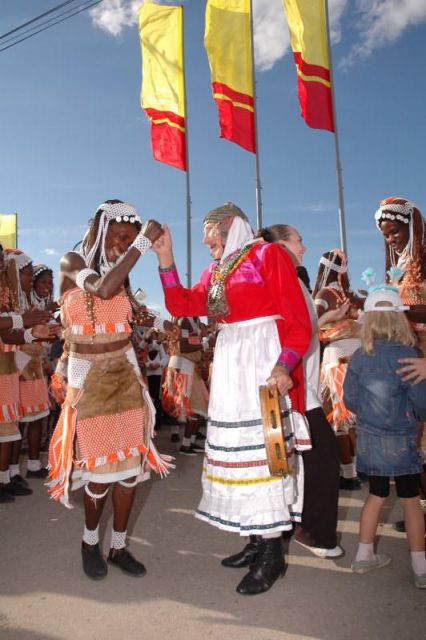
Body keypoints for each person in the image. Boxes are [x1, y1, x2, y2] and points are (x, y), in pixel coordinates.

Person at [153, 202, 311, 595]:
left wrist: (282, 366)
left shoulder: (266, 254)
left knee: (266, 452)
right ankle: (256, 541)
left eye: (212, 234)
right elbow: (182, 305)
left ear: (230, 228)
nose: (208, 241)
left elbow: (297, 319)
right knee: (241, 455)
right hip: (230, 364)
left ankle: (273, 555)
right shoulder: (215, 271)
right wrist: (166, 258)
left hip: (260, 358)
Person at [47, 199, 173, 580]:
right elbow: (101, 290)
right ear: (100, 233)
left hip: (124, 375)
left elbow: (120, 312)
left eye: (131, 238)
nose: (124, 243)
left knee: (130, 472)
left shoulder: (123, 279)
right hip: (89, 376)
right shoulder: (72, 263)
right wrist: (142, 245)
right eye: (118, 236)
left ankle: (118, 546)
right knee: (101, 474)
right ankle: (89, 542)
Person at [259, 225, 342, 558]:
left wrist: (330, 319)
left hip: (303, 390)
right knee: (315, 459)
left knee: (306, 462)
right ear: (280, 246)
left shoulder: (296, 284)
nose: (304, 248)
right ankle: (308, 534)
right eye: (299, 240)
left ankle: (300, 531)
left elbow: (304, 329)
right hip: (292, 392)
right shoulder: (279, 281)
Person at [343, 285, 426, 588]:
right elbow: (422, 403)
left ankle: (364, 556)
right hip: (401, 438)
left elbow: (350, 400)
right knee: (411, 501)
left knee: (375, 496)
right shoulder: (410, 356)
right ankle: (420, 567)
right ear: (399, 320)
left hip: (368, 437)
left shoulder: (358, 358)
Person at [375, 197, 426, 511]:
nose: (391, 239)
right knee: (412, 436)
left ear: (411, 225)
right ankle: (419, 510)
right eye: (385, 236)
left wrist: (400, 308)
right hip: (407, 356)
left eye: (395, 231)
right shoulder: (398, 270)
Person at [0, 245, 57, 501]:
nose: (31, 280)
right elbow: (8, 330)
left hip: (14, 366)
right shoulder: (11, 300)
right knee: (12, 422)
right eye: (27, 275)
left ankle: (8, 475)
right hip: (15, 365)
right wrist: (26, 323)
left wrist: (37, 332)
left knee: (14, 423)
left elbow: (13, 334)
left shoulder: (13, 300)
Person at [312, 249, 364, 490]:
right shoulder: (348, 295)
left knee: (341, 416)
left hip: (338, 358)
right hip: (354, 357)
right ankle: (356, 470)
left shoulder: (325, 293)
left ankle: (350, 474)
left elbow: (311, 322)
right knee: (349, 415)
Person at [161, 316, 209, 455]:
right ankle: (185, 445)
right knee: (195, 408)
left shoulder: (194, 321)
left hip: (191, 369)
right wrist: (205, 344)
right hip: (184, 369)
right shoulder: (185, 320)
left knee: (202, 406)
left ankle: (191, 442)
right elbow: (183, 346)